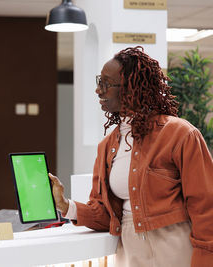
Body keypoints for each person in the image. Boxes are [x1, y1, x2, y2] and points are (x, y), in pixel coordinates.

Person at [49, 46, 213, 266]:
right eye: (100, 82)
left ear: (131, 88)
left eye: (106, 83)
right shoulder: (107, 147)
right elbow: (106, 214)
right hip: (130, 250)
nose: (99, 90)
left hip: (175, 250)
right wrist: (65, 205)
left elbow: (205, 206)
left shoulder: (181, 134)